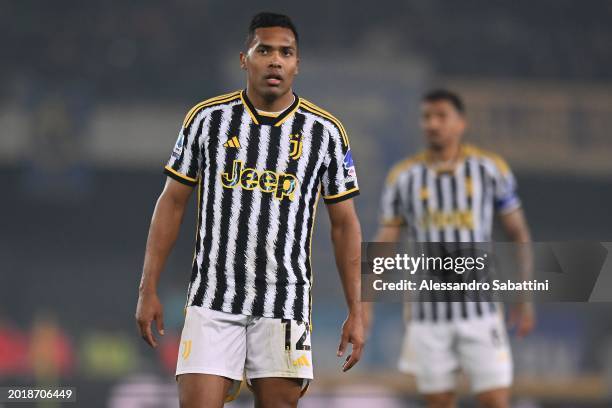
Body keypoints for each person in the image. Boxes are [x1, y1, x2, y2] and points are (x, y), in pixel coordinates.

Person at [135, 12, 364, 408]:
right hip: (212, 299)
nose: (275, 60)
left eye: (286, 52)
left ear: (297, 64)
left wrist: (356, 310)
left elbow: (345, 225)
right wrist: (147, 288)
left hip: (285, 303)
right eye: (265, 50)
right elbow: (172, 202)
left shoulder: (325, 133)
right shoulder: (207, 120)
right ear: (245, 58)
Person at [366, 89, 535, 408]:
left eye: (441, 116)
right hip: (428, 315)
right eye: (426, 117)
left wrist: (524, 295)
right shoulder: (404, 177)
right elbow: (385, 242)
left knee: (496, 400)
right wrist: (366, 302)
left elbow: (518, 232)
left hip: (481, 310)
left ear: (461, 123)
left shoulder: (489, 169)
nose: (432, 124)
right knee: (439, 402)